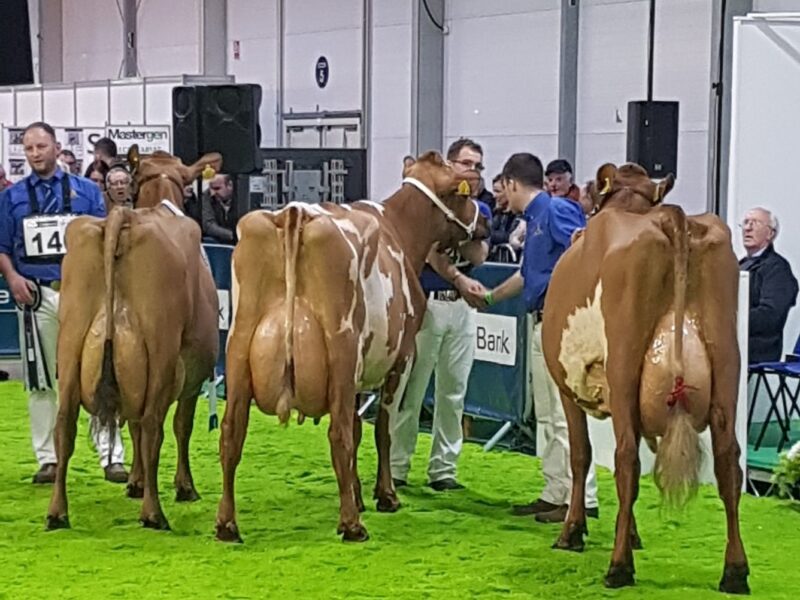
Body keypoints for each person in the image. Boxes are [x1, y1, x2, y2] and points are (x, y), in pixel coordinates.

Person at [0, 121, 127, 485]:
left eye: (41, 146)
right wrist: (12, 277)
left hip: (84, 295)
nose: (35, 154)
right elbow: (3, 248)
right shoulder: (11, 198)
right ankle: (48, 458)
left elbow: (107, 240)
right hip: (37, 294)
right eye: (29, 149)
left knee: (100, 371)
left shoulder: (88, 192)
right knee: (40, 379)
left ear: (57, 147)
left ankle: (111, 455)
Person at [477, 152, 599, 523]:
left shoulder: (556, 212)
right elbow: (530, 275)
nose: (502, 197)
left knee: (564, 416)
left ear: (513, 183)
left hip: (560, 326)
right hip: (541, 321)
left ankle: (582, 497)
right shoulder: (535, 219)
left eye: (504, 188)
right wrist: (489, 297)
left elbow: (582, 253)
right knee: (547, 415)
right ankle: (556, 491)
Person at [389, 138, 490, 492]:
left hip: (462, 309)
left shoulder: (479, 209)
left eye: (477, 166)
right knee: (412, 388)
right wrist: (460, 277)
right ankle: (397, 466)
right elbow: (430, 252)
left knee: (454, 391)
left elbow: (479, 252)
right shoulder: (431, 203)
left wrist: (463, 235)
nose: (472, 171)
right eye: (465, 163)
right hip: (429, 301)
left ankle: (443, 469)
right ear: (449, 165)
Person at [739, 207, 798, 364]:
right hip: (731, 343)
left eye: (755, 223)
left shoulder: (778, 269)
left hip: (755, 351)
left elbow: (770, 316)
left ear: (770, 234)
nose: (748, 228)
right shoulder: (738, 265)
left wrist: (731, 319)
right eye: (745, 222)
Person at [488, 173, 523, 263]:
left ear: (509, 192)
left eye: (498, 191)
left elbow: (512, 237)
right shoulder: (497, 213)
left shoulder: (521, 214)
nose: (494, 195)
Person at [201, 174, 235, 244]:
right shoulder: (207, 196)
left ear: (230, 185)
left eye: (217, 188)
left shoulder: (243, 194)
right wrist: (232, 235)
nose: (212, 193)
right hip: (218, 242)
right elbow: (208, 224)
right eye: (210, 188)